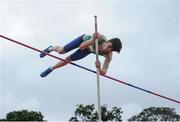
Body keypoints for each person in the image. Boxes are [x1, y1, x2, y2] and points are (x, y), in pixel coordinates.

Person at [40, 33, 122, 77]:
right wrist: (93, 39)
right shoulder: (100, 38)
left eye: (112, 50)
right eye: (110, 46)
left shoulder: (109, 55)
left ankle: (51, 68)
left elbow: (103, 72)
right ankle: (50, 48)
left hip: (88, 50)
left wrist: (99, 67)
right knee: (61, 51)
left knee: (68, 59)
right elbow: (82, 47)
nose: (109, 49)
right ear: (108, 42)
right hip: (83, 41)